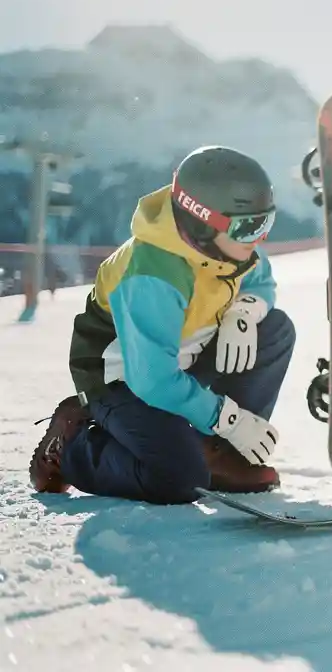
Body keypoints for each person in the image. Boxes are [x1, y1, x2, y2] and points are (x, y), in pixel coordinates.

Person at [29, 146, 295, 504]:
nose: (259, 239)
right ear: (203, 222)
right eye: (249, 227)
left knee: (273, 330)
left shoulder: (230, 247)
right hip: (123, 381)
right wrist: (228, 419)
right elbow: (153, 380)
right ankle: (73, 448)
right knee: (178, 479)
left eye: (266, 223)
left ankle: (217, 452)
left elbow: (260, 279)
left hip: (181, 362)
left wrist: (242, 312)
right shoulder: (153, 275)